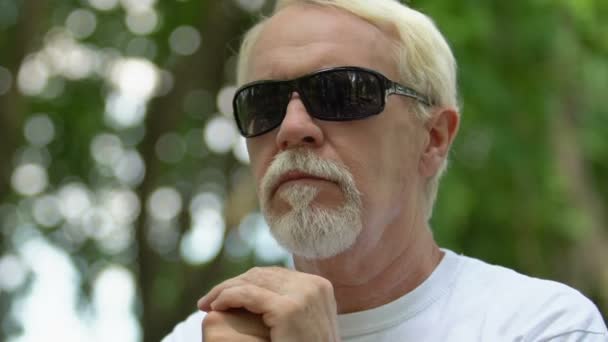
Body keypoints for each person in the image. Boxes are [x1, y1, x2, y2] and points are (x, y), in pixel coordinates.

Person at [163, 0, 608, 340]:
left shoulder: (542, 325)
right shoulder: (197, 335)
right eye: (264, 104)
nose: (292, 128)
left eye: (342, 92)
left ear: (432, 138)